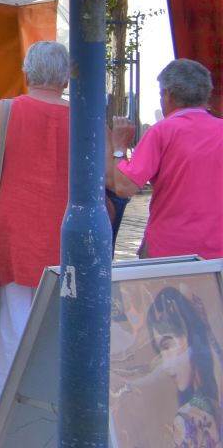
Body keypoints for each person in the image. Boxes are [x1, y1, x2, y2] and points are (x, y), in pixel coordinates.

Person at [0, 40, 108, 424]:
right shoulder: (87, 118)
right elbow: (104, 178)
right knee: (57, 316)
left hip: (8, 231)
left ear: (27, 72)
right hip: (67, 232)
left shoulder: (4, 112)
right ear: (66, 77)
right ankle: (51, 397)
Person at [108, 59, 222, 260]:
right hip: (217, 251)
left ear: (167, 94)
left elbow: (124, 187)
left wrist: (119, 148)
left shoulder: (162, 132)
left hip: (169, 250)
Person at [147, 286, 223, 447]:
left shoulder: (186, 419)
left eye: (167, 346)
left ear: (188, 335)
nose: (166, 366)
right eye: (160, 352)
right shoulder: (213, 401)